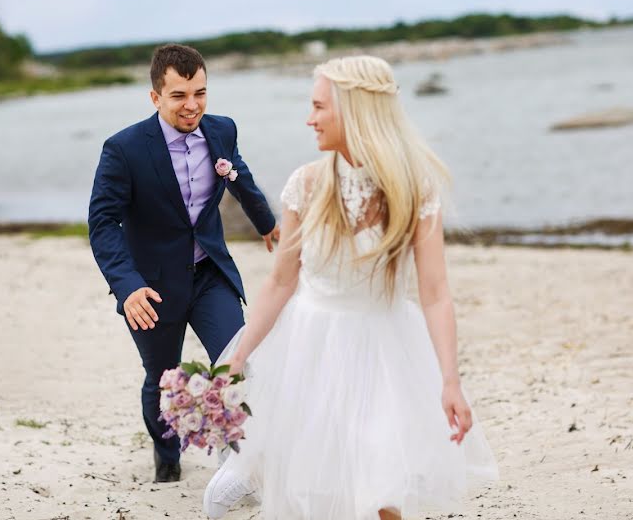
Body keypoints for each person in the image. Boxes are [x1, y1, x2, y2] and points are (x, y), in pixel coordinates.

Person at [203, 56, 497, 519]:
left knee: (382, 492)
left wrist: (450, 381)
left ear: (355, 111)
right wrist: (238, 360)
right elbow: (281, 280)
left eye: (319, 106)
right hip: (311, 353)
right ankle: (237, 477)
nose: (309, 117)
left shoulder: (413, 187)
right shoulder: (307, 184)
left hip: (385, 351)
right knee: (320, 492)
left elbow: (436, 292)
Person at [88, 44, 278, 483]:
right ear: (156, 97)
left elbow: (239, 175)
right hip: (151, 287)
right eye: (179, 96)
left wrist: (268, 223)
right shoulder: (124, 149)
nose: (192, 105)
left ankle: (238, 463)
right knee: (161, 378)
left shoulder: (222, 129)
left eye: (200, 92)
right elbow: (102, 223)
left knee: (235, 362)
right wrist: (127, 285)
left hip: (210, 273)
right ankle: (167, 453)